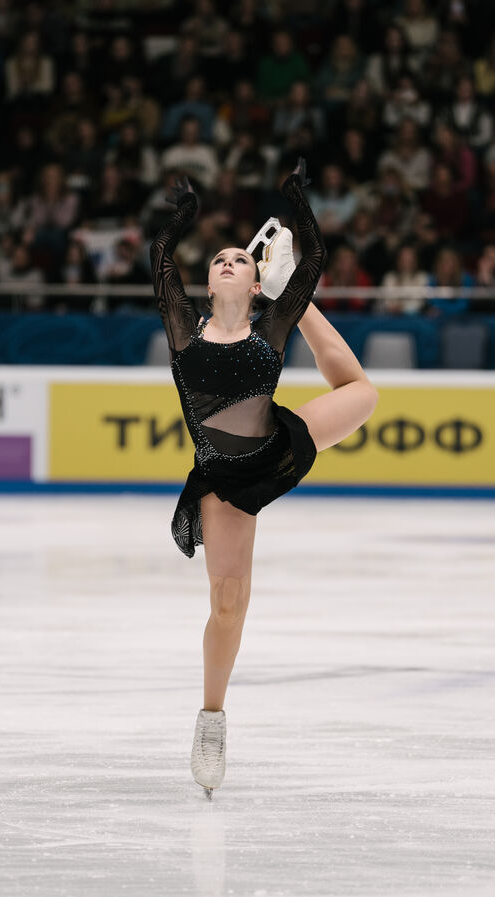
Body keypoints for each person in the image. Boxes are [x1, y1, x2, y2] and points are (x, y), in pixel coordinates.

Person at [150, 159, 378, 798]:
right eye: (219, 259)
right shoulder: (182, 330)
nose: (228, 261)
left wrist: (296, 200)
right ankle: (211, 719)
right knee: (228, 604)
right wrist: (184, 214)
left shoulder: (270, 327)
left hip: (275, 445)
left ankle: (291, 295)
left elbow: (316, 258)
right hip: (226, 481)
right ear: (208, 281)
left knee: (362, 394)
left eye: (240, 260)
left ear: (255, 285)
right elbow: (160, 258)